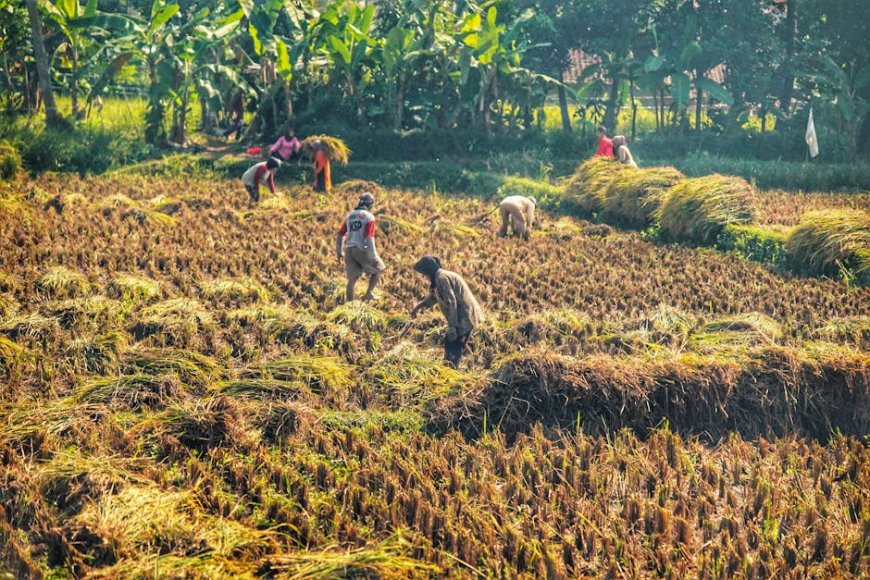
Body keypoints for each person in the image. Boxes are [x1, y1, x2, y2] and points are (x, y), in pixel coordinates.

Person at [410, 256, 485, 369]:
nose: (425, 277)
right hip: (462, 315)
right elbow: (434, 297)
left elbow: (451, 302)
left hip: (465, 316)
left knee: (453, 345)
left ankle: (451, 371)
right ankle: (451, 368)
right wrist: (418, 307)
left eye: (425, 274)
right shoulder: (440, 277)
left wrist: (452, 327)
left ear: (429, 271)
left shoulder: (442, 278)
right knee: (452, 343)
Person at [336, 193, 385, 302]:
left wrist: (339, 252)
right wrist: (374, 255)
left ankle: (349, 304)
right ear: (370, 204)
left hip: (349, 250)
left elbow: (340, 235)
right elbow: (369, 237)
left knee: (352, 279)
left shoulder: (350, 216)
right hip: (361, 249)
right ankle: (369, 293)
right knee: (379, 269)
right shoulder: (369, 217)